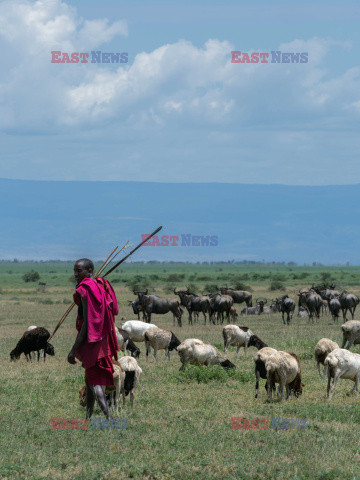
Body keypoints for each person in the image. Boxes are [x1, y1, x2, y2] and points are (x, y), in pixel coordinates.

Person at [67, 258, 119, 419]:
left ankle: (109, 419)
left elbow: (87, 323)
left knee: (95, 384)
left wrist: (74, 349)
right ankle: (88, 417)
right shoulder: (98, 285)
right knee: (89, 381)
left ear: (89, 271)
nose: (76, 274)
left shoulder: (85, 289)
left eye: (79, 271)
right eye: (75, 270)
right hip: (101, 340)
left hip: (92, 341)